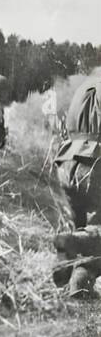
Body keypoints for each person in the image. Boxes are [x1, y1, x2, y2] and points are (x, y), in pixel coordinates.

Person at [53, 75, 101, 298]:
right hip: (94, 163)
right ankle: (73, 241)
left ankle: (80, 282)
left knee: (84, 224)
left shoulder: (86, 85)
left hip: (67, 162)